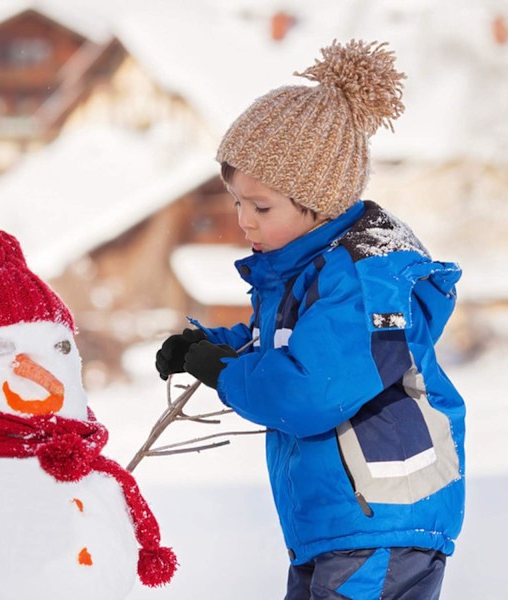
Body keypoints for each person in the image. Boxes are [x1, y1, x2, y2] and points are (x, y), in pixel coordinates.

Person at [155, 39, 465, 600]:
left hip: (379, 521)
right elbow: (280, 345)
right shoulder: (308, 273)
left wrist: (223, 372)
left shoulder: (363, 282)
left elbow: (310, 390)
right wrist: (208, 348)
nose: (243, 220)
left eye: (262, 205)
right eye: (237, 202)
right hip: (341, 522)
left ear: (318, 200)